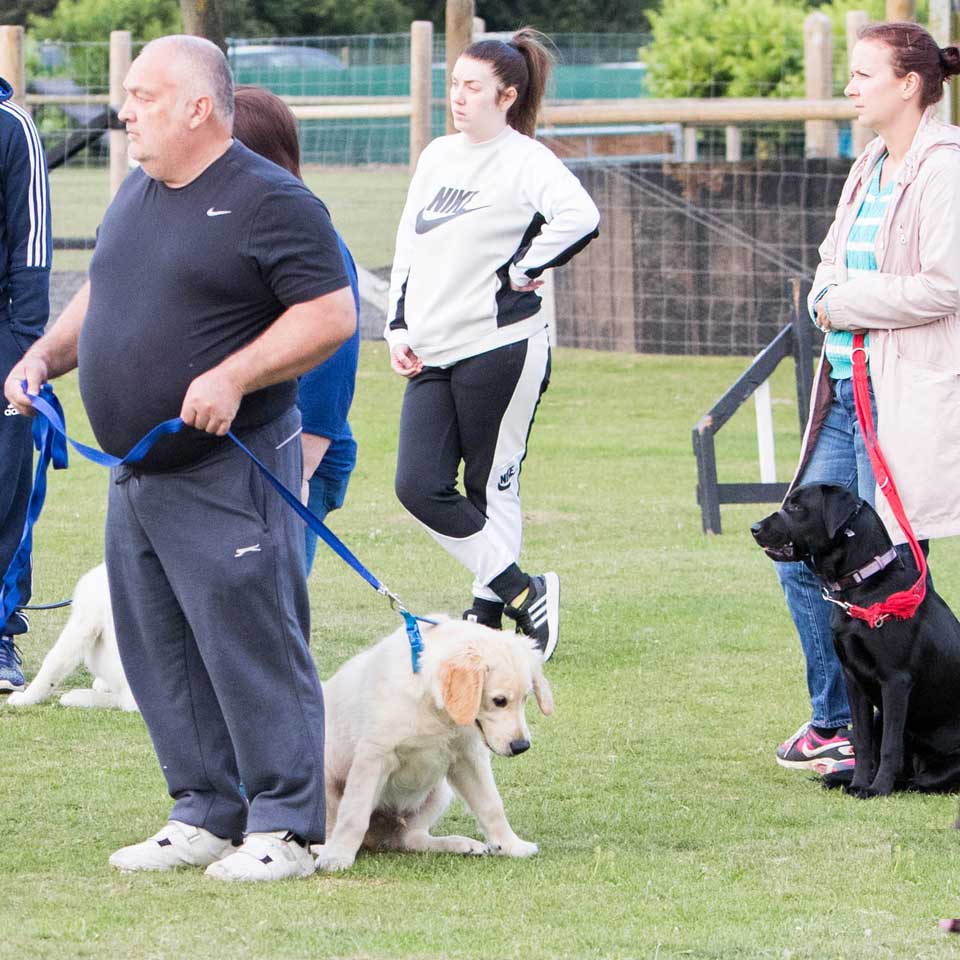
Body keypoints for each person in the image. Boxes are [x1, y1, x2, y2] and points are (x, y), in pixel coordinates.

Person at [4, 36, 356, 881]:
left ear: (200, 107)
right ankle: (203, 810)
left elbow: (332, 314)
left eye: (144, 95)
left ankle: (286, 828)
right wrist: (44, 357)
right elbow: (104, 292)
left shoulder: (271, 200)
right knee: (163, 650)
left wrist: (235, 374)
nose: (125, 111)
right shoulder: (138, 191)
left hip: (227, 464)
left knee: (253, 642)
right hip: (138, 472)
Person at [773, 21, 960, 777]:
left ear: (908, 84)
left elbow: (945, 285)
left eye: (862, 75)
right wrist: (828, 293)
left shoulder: (946, 170)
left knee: (899, 574)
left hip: (904, 395)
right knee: (796, 554)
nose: (849, 88)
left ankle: (907, 735)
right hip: (844, 391)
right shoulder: (870, 163)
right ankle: (838, 720)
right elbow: (828, 264)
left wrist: (847, 299)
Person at [386, 28, 599, 662]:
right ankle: (522, 591)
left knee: (490, 487)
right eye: (454, 84)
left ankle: (484, 610)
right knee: (418, 485)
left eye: (472, 87)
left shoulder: (526, 159)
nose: (458, 97)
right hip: (432, 349)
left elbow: (580, 217)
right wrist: (398, 325)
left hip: (502, 346)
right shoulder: (436, 156)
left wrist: (524, 269)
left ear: (505, 96)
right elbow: (408, 247)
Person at [232, 85, 359, 574]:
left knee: (273, 606)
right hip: (252, 449)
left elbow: (334, 360)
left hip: (302, 452)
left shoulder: (313, 239)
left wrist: (300, 468)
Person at [0, 78, 51, 693]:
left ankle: (1, 632)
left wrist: (25, 351)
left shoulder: (13, 128)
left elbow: (31, 248)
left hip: (4, 338)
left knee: (5, 483)